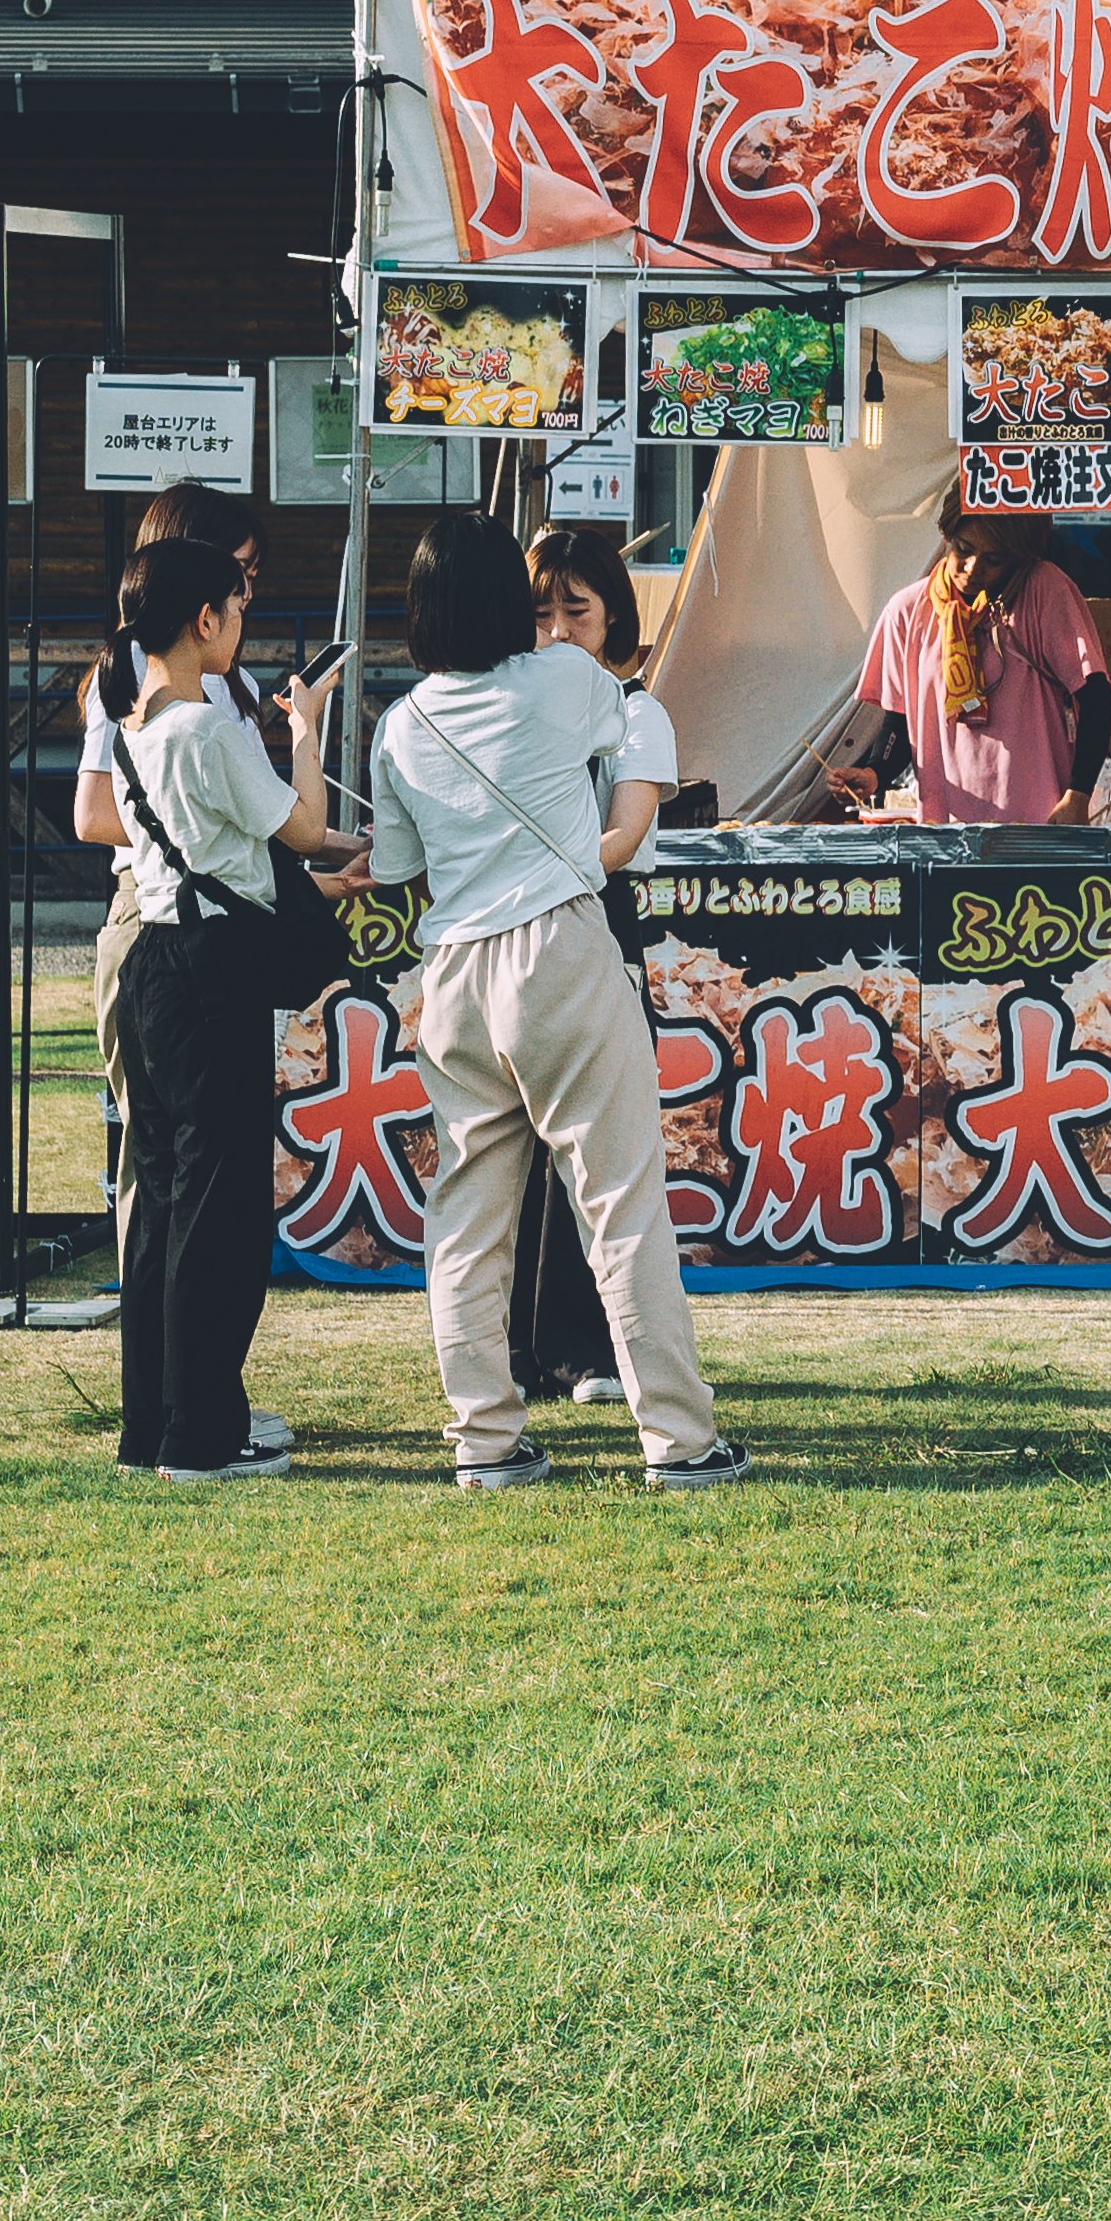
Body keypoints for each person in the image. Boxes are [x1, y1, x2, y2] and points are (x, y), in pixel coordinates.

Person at [367, 512, 742, 1493]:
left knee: (465, 1220)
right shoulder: (570, 681)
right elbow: (634, 731)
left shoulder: (399, 725)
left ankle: (484, 1441)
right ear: (507, 601)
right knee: (618, 1204)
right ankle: (678, 1440)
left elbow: (400, 864)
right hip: (561, 952)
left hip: (451, 970)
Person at [98, 535, 343, 1481]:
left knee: (162, 1199)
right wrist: (308, 732)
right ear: (205, 620)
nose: (240, 624)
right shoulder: (210, 728)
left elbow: (231, 845)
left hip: (153, 966)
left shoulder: (133, 729)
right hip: (212, 975)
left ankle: (153, 1424)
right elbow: (304, 828)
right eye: (235, 609)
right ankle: (203, 1434)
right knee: (222, 1209)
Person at [496, 519, 681, 1407]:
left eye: (578, 611)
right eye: (541, 614)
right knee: (514, 1149)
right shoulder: (505, 706)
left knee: (597, 1149)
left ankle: (585, 1346)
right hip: (519, 923)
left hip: (598, 921)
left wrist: (532, 861)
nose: (560, 631)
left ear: (615, 618)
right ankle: (517, 1350)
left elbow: (626, 832)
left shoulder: (637, 711)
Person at [845, 501, 1110, 826]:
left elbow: (1096, 696)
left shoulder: (1044, 591)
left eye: (993, 559)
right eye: (963, 549)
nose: (972, 568)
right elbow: (900, 721)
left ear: (1017, 557)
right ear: (946, 535)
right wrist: (875, 773)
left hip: (1040, 822)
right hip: (945, 830)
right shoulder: (907, 611)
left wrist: (1078, 795)